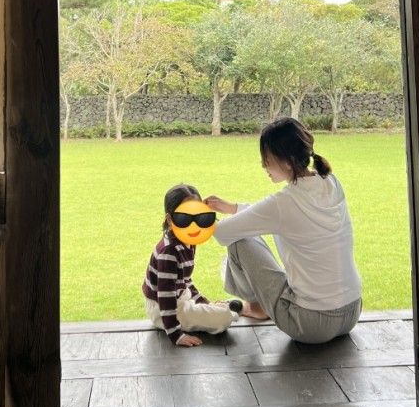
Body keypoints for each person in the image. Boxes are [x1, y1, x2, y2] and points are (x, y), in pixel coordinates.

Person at [206, 118, 362, 344]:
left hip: (311, 324)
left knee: (240, 243)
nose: (263, 166)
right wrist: (233, 208)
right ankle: (260, 305)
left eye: (266, 160)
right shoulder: (331, 183)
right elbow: (271, 215)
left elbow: (223, 233)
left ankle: (257, 306)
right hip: (351, 312)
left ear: (287, 162)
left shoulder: (284, 202)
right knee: (248, 231)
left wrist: (191, 218)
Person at [142, 183, 242, 347]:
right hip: (163, 309)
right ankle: (225, 312)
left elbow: (185, 281)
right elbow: (165, 296)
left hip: (179, 297)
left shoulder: (188, 241)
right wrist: (176, 335)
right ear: (170, 219)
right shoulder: (169, 252)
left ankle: (217, 309)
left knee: (214, 310)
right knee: (223, 319)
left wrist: (205, 302)